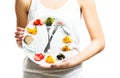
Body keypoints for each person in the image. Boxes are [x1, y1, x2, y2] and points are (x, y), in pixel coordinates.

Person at [15, 0, 105, 78]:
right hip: (34, 73)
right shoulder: (24, 1)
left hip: (70, 73)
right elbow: (24, 44)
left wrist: (72, 61)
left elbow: (99, 41)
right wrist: (21, 40)